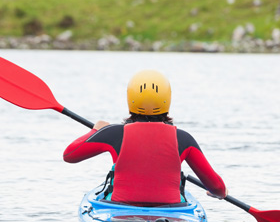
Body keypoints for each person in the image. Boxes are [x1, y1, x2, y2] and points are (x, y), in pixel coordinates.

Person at [63, 70, 227, 206]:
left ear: (130, 98)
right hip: (172, 213)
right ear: (167, 99)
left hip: (120, 211)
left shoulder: (114, 133)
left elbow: (70, 155)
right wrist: (218, 192)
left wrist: (96, 131)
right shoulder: (183, 139)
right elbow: (217, 187)